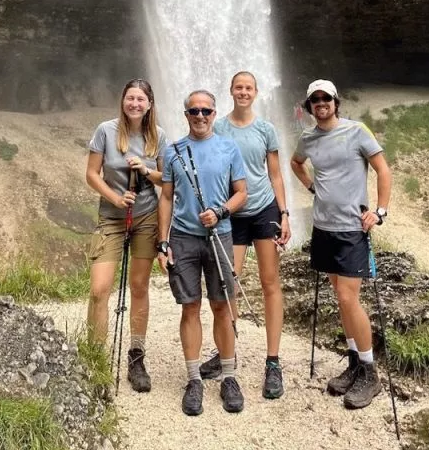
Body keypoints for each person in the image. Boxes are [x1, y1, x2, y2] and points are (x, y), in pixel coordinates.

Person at [290, 79, 392, 410]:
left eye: (326, 98)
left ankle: (370, 373)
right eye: (314, 100)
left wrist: (379, 212)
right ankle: (353, 363)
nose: (321, 103)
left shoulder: (357, 131)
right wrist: (310, 188)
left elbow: (383, 170)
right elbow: (295, 162)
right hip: (323, 228)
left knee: (349, 299)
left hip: (351, 229)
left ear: (336, 102)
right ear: (309, 106)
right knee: (340, 297)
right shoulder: (308, 138)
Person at [200, 70, 290, 399]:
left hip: (264, 208)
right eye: (238, 87)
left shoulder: (266, 129)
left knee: (270, 282)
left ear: (256, 92)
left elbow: (276, 176)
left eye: (248, 87)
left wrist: (285, 214)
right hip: (232, 211)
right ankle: (228, 353)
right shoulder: (219, 127)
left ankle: (273, 362)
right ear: (231, 91)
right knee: (229, 283)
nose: (243, 92)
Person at [157, 89, 248, 416]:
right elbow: (166, 198)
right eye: (193, 111)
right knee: (190, 307)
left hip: (220, 235)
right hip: (183, 238)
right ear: (186, 115)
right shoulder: (173, 152)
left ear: (214, 113)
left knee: (222, 306)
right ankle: (194, 379)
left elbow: (242, 193)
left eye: (206, 111)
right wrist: (162, 241)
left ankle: (228, 376)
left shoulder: (228, 147)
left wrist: (221, 211)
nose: (199, 116)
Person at [85, 78, 167, 393]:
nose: (134, 103)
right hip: (111, 217)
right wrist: (116, 199)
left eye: (140, 99)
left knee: (138, 286)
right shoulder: (105, 131)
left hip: (146, 217)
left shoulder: (159, 137)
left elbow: (166, 180)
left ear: (149, 104)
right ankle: (95, 358)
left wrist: (146, 170)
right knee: (98, 289)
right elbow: (92, 174)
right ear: (123, 100)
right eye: (130, 98)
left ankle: (136, 354)